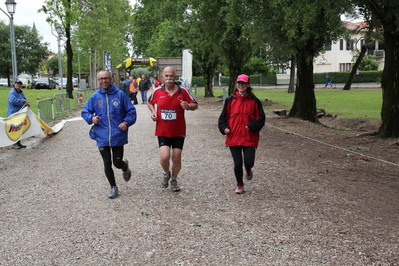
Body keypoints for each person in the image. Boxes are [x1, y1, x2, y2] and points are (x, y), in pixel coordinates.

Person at [81, 70, 137, 198]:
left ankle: (124, 166)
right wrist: (91, 118)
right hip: (101, 135)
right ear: (98, 80)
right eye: (101, 78)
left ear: (111, 79)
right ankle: (113, 187)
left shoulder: (120, 95)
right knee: (107, 162)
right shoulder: (95, 97)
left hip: (117, 135)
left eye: (106, 78)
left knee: (116, 163)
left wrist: (126, 122)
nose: (103, 81)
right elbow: (85, 112)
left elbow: (131, 112)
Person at [147, 66, 198, 192]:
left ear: (175, 77)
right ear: (163, 77)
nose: (169, 78)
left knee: (176, 157)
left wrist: (188, 106)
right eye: (167, 76)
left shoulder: (183, 91)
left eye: (171, 76)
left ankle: (174, 179)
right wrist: (153, 112)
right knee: (164, 157)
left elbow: (195, 105)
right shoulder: (158, 91)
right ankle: (166, 173)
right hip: (163, 130)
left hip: (178, 130)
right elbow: (150, 102)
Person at [218, 74, 265, 194]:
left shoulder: (254, 101)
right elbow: (223, 118)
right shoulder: (230, 100)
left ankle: (248, 169)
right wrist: (224, 128)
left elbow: (261, 119)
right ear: (236, 84)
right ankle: (239, 184)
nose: (241, 85)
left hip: (249, 137)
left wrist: (252, 126)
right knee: (237, 162)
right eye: (239, 83)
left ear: (248, 85)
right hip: (233, 137)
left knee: (249, 161)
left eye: (243, 83)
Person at [7, 80, 31, 149]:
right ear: (14, 84)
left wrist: (27, 103)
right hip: (13, 113)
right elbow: (13, 101)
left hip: (20, 113)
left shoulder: (21, 92)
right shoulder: (12, 92)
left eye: (20, 84)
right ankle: (14, 144)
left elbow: (25, 99)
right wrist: (23, 102)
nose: (18, 85)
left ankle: (18, 142)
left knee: (19, 129)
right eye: (17, 84)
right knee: (14, 129)